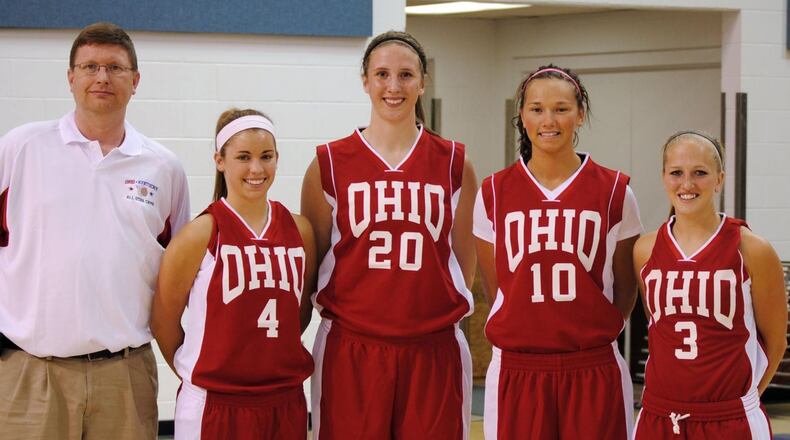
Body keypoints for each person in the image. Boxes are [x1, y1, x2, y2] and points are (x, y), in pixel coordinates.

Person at [0, 22, 190, 439]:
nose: (102, 77)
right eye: (89, 67)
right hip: (32, 374)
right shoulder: (20, 148)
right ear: (70, 78)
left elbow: (178, 276)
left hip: (124, 375)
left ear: (135, 81)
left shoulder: (164, 167)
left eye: (115, 68)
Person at [301, 30, 478, 439]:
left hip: (433, 348)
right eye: (381, 74)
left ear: (423, 81)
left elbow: (462, 268)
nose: (393, 87)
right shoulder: (329, 163)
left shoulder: (455, 163)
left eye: (405, 75)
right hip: (351, 347)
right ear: (365, 81)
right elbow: (316, 266)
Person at [474, 65, 642, 439]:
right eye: (536, 108)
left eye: (561, 109)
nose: (548, 120)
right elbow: (497, 286)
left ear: (580, 114)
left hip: (593, 366)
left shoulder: (615, 192)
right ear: (521, 114)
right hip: (518, 368)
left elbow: (625, 290)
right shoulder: (494, 193)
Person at [151, 109, 316, 439]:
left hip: (284, 400)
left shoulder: (300, 230)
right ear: (220, 160)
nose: (256, 168)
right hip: (214, 403)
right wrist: (205, 372)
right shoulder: (200, 234)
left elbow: (300, 312)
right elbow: (163, 322)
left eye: (266, 156)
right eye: (243, 157)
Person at [632, 131, 787, 439]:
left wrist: (743, 400)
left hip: (730, 419)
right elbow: (659, 327)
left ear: (719, 179)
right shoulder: (645, 250)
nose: (687, 184)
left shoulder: (752, 249)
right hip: (658, 416)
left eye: (700, 173)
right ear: (664, 177)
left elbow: (775, 343)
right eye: (676, 172)